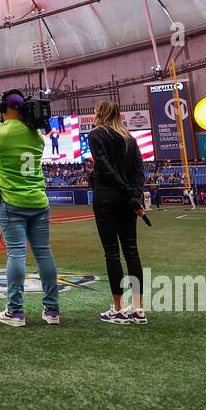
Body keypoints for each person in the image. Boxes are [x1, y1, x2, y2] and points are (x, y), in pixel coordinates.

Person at [0, 90, 59, 326]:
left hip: (11, 201)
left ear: (4, 109)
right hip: (38, 200)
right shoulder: (37, 135)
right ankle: (52, 310)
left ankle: (15, 312)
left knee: (16, 254)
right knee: (44, 253)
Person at [86, 101, 147, 325]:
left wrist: (126, 191)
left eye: (94, 113)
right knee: (132, 252)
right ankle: (138, 308)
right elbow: (139, 171)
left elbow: (104, 167)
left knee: (111, 253)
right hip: (127, 201)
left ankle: (119, 309)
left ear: (100, 114)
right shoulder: (130, 138)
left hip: (107, 198)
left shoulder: (96, 135)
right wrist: (134, 195)